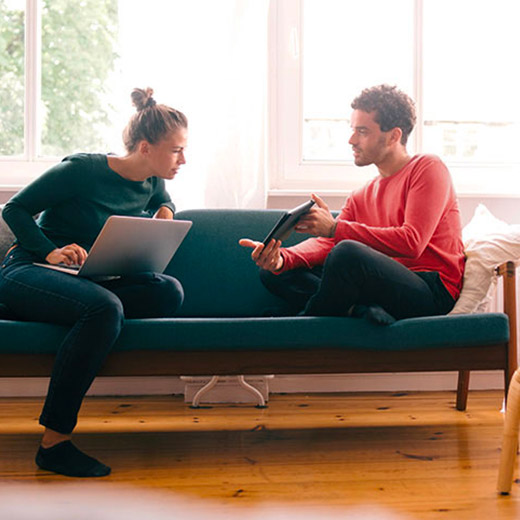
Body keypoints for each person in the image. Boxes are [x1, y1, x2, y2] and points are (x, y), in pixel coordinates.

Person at [0, 87, 188, 477]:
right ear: (145, 147)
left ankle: (74, 313)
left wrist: (166, 212)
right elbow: (15, 209)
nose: (183, 159)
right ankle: (54, 444)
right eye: (176, 151)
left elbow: (163, 199)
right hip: (31, 270)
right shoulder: (82, 170)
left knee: (168, 291)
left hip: (87, 278)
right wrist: (49, 249)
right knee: (104, 309)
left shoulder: (151, 180)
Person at [240, 84, 465, 324]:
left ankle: (305, 321)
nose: (351, 140)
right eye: (353, 130)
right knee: (274, 274)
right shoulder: (362, 194)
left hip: (429, 290)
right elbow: (329, 242)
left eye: (363, 131)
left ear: (393, 136)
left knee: (347, 253)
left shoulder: (427, 168)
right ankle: (358, 310)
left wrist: (335, 228)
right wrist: (282, 258)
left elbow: (412, 242)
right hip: (381, 287)